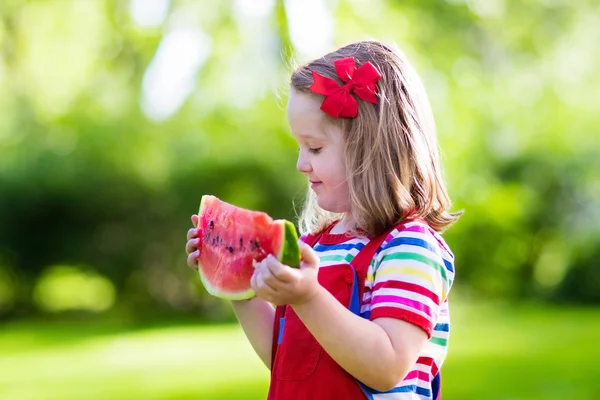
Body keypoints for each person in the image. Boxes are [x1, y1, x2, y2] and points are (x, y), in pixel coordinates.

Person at [186, 40, 460, 400]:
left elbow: (387, 366)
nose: (302, 163)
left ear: (369, 146)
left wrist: (308, 296)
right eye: (299, 148)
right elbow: (286, 360)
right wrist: (240, 287)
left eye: (314, 147)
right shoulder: (315, 246)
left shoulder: (409, 247)